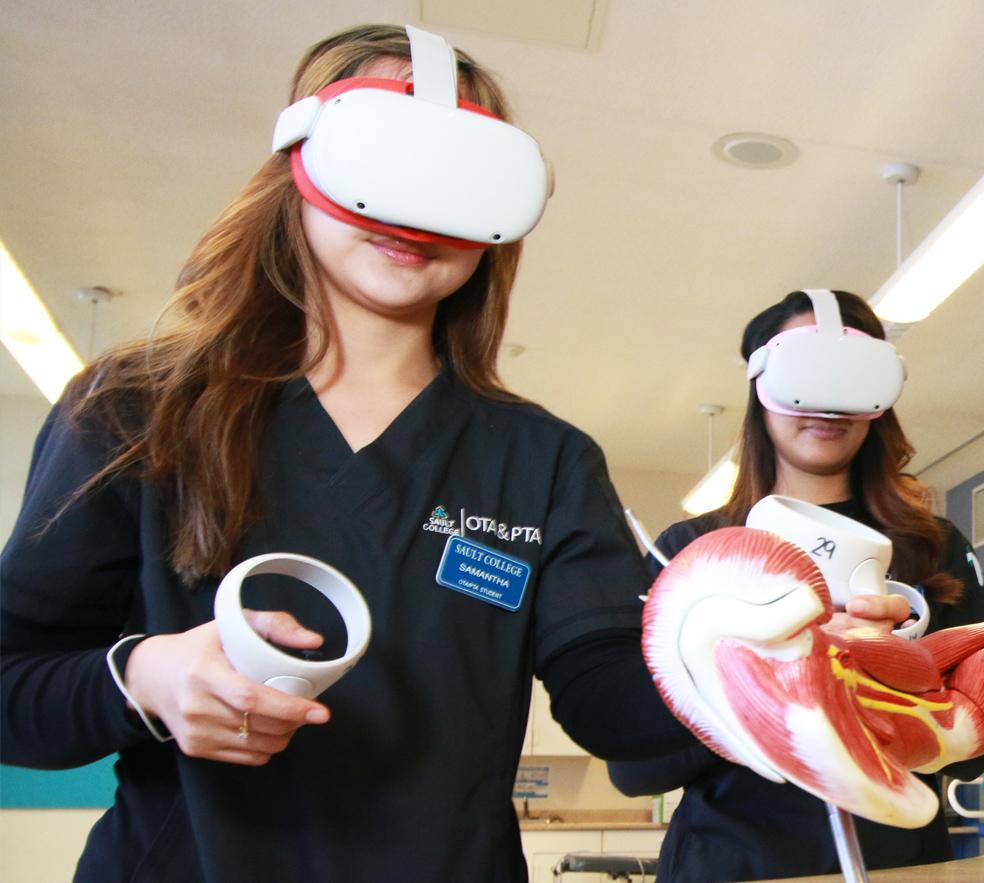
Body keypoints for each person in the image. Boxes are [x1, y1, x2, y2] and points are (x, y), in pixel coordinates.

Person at [0, 25, 693, 881]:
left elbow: (609, 695)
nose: (412, 209)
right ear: (299, 160)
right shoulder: (136, 412)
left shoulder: (543, 461)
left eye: (456, 178)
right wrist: (147, 677)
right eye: (383, 156)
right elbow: (11, 683)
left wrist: (777, 664)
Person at [608, 289, 984, 882]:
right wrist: (768, 675)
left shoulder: (933, 548)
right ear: (761, 385)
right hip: (732, 865)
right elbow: (634, 768)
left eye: (849, 377)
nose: (826, 403)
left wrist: (896, 674)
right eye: (805, 373)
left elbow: (977, 752)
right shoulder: (694, 552)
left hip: (898, 868)